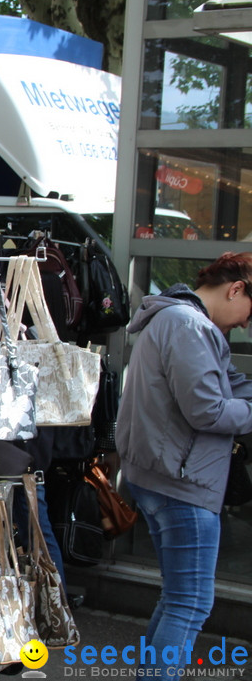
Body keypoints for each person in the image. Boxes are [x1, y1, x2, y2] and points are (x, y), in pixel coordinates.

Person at [116, 251, 252, 679]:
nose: (247, 324)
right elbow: (208, 411)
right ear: (236, 289)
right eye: (251, 310)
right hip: (181, 482)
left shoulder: (187, 322)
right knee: (189, 603)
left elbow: (228, 383)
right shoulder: (189, 326)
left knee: (179, 600)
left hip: (164, 474)